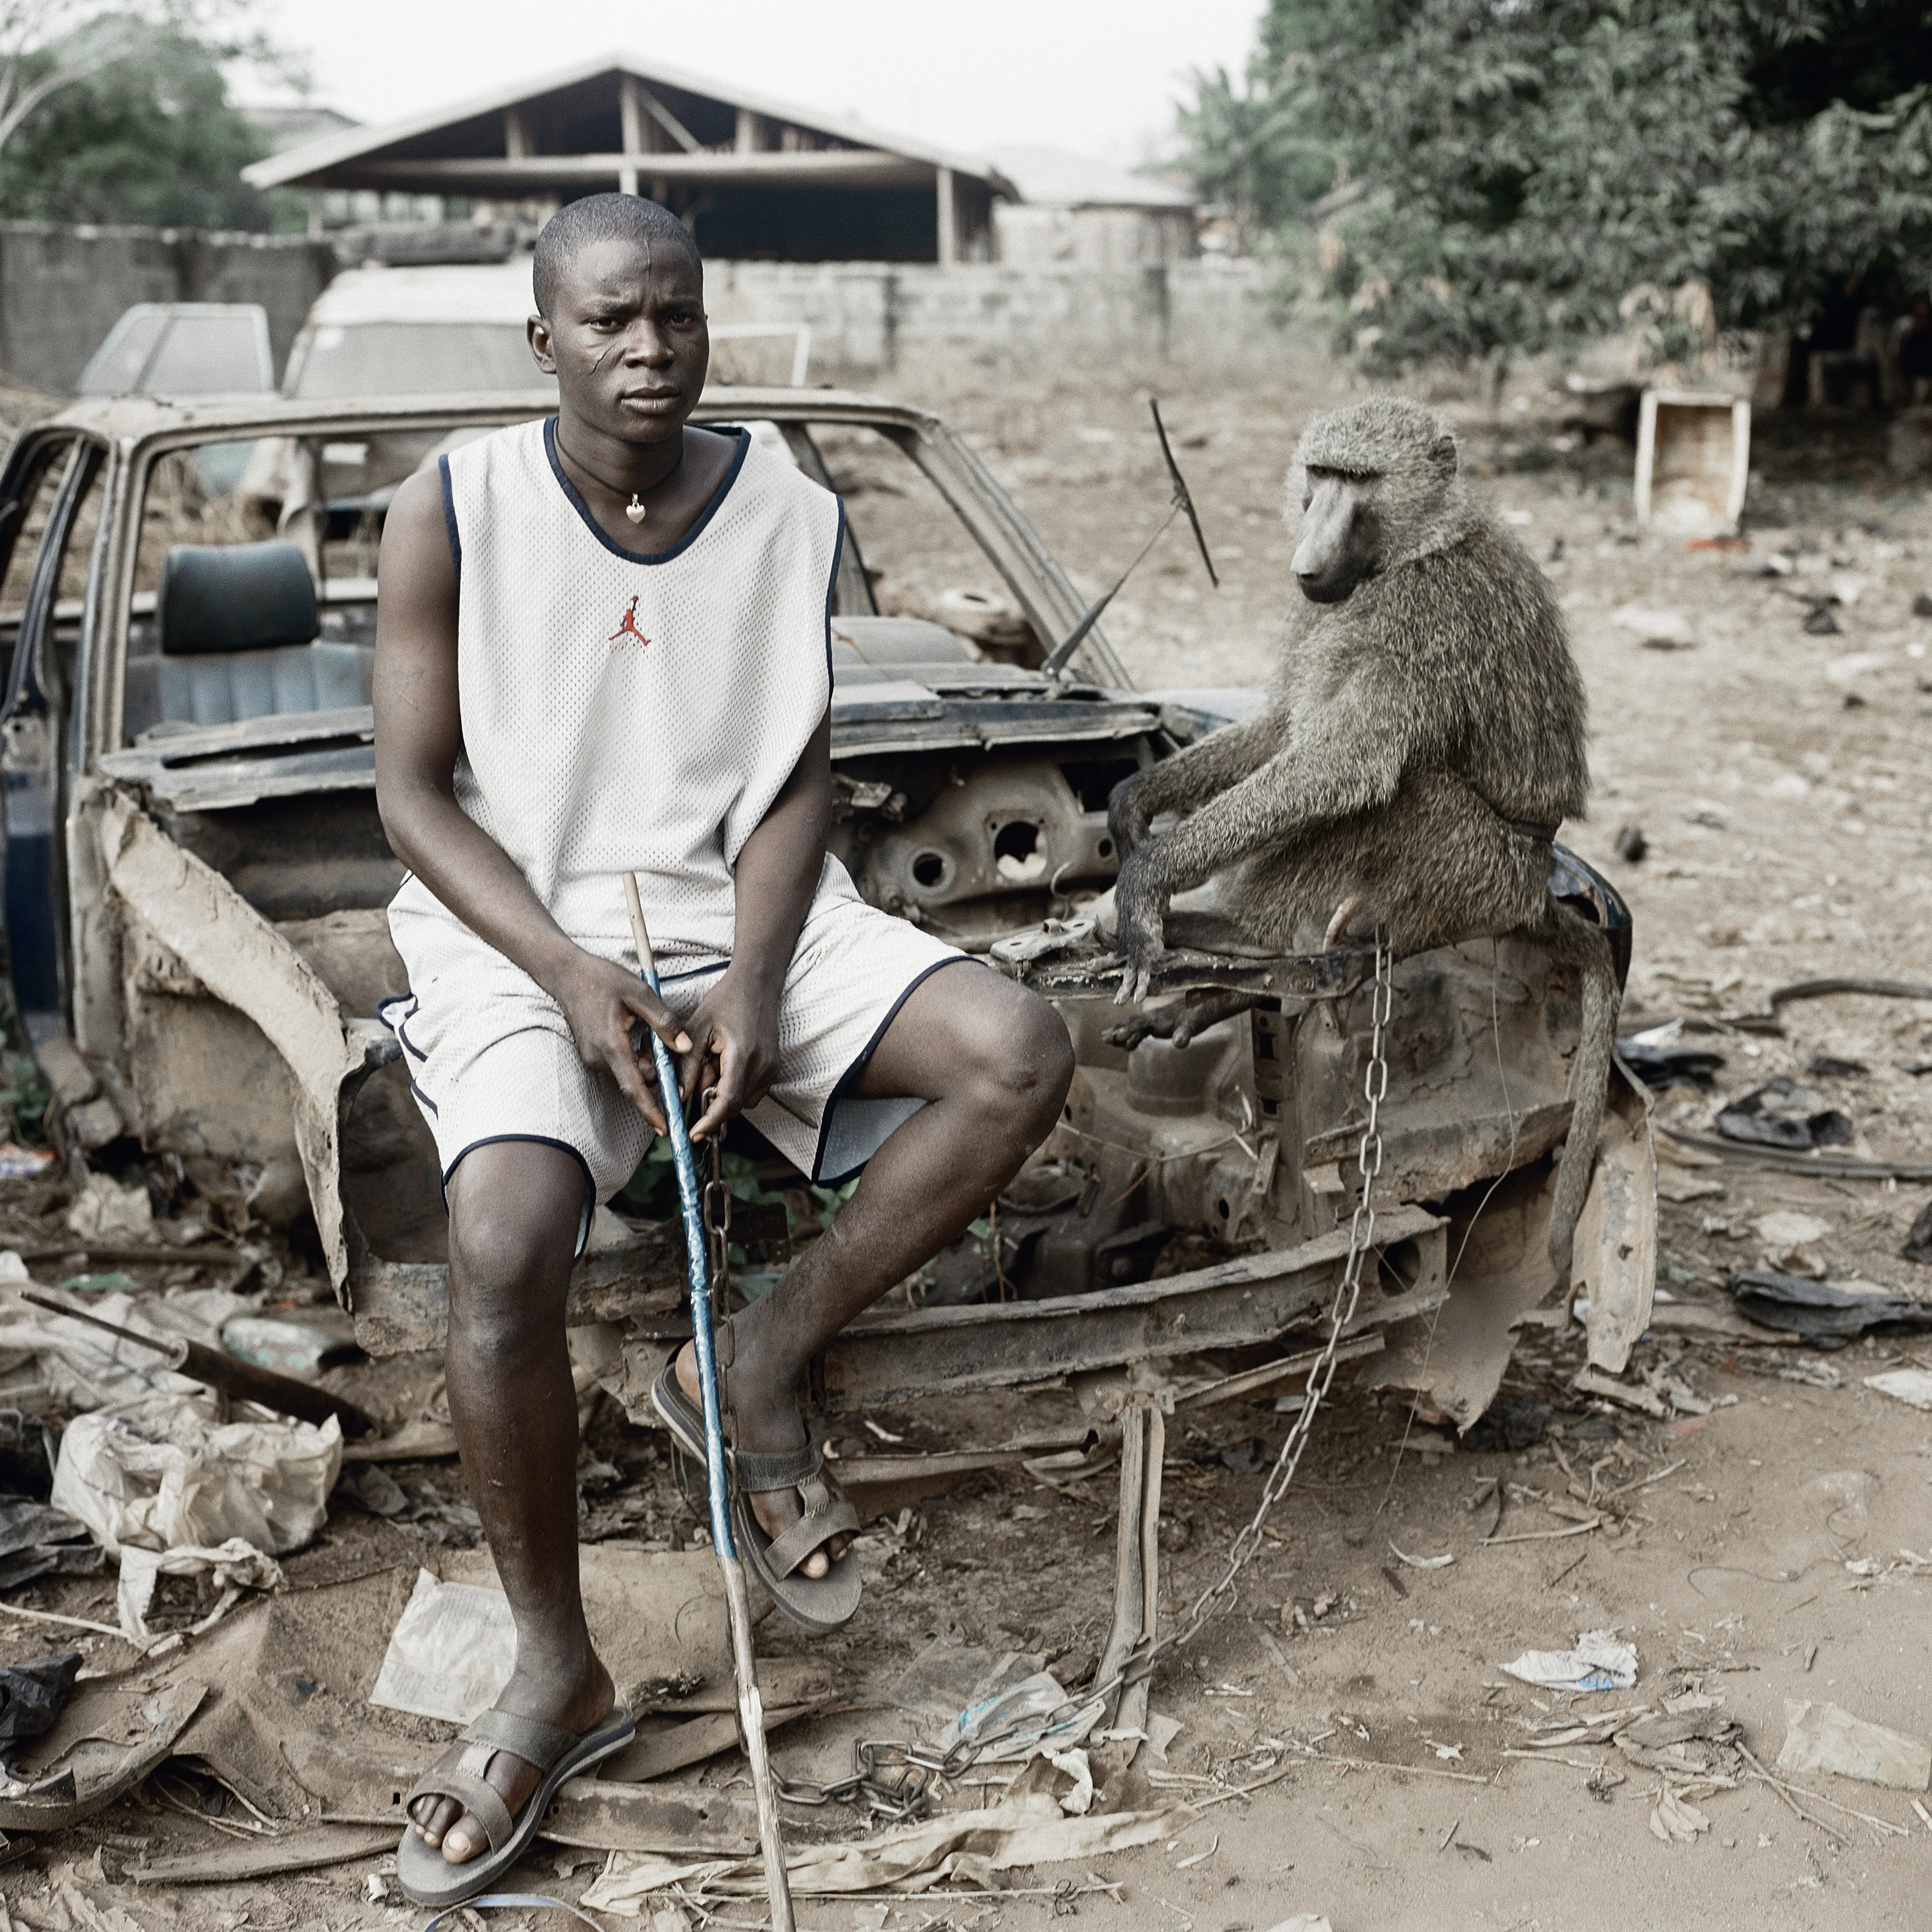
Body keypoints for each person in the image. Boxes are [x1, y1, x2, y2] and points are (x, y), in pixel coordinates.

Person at [372, 193, 1074, 1903]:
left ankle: (754, 1359)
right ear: (543, 338)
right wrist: (568, 973)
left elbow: (793, 779)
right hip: (521, 923)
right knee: (507, 1237)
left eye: (675, 317)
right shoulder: (448, 507)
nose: (648, 350)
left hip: (746, 912)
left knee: (1020, 1049)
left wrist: (753, 987)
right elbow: (407, 797)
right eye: (609, 322)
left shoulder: (785, 501)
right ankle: (556, 1664)